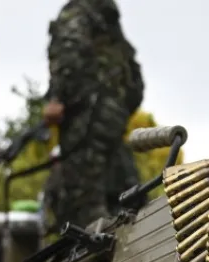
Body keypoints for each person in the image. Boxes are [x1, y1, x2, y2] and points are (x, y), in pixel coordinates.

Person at [41, 0, 144, 229]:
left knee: (83, 203)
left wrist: (58, 99)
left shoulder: (76, 13)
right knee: (123, 196)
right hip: (113, 118)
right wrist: (117, 108)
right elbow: (135, 81)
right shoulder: (108, 22)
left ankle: (98, 259)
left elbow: (70, 56)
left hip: (87, 119)